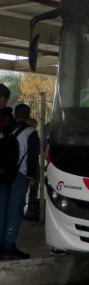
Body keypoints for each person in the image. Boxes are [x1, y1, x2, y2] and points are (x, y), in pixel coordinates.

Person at [0, 104, 40, 260]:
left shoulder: (5, 129)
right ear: (28, 115)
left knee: (1, 210)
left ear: (15, 115)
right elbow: (32, 156)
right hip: (19, 175)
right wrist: (31, 174)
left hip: (2, 175)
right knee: (14, 211)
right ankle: (8, 246)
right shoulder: (31, 132)